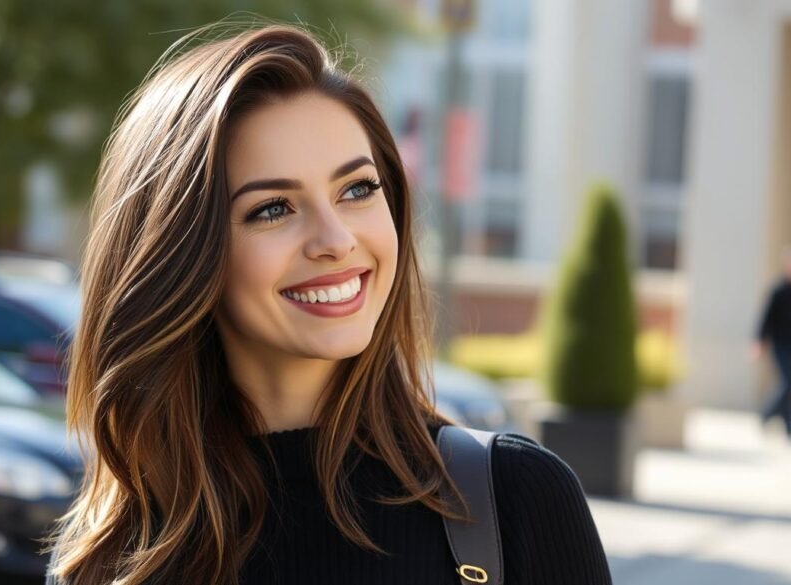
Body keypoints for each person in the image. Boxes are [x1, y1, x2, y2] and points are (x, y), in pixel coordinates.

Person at [44, 20, 612, 585]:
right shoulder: (111, 554)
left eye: (357, 189)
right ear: (181, 253)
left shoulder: (515, 500)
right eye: (273, 208)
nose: (337, 239)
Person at [752, 245, 791, 437]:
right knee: (788, 382)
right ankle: (767, 413)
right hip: (780, 344)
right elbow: (765, 318)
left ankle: (786, 424)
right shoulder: (778, 291)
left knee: (787, 384)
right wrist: (758, 342)